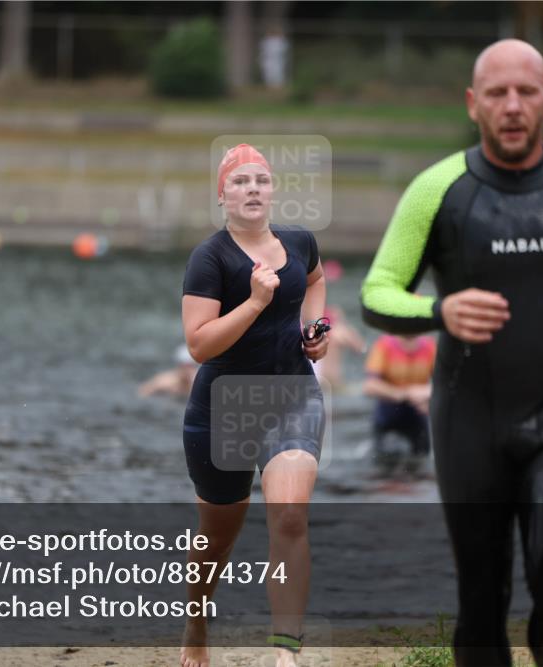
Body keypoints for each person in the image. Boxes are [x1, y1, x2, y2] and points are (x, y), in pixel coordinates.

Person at [360, 39, 543, 667]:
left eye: (526, 91)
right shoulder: (437, 190)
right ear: (474, 104)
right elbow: (376, 292)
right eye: (497, 93)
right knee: (481, 602)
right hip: (468, 423)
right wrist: (440, 311)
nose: (513, 106)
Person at [180, 143, 327, 667]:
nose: (252, 189)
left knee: (288, 516)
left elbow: (315, 280)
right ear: (222, 195)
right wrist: (256, 302)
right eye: (240, 181)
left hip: (293, 396)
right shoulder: (210, 258)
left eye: (261, 180)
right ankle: (196, 624)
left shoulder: (299, 241)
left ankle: (285, 651)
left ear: (273, 191)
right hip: (223, 410)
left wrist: (315, 329)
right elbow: (199, 344)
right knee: (217, 539)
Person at [362, 333, 436, 474]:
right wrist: (405, 394)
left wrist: (425, 394)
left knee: (421, 462)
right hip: (388, 415)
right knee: (384, 464)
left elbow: (444, 385)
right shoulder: (385, 345)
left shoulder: (429, 347)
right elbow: (369, 386)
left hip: (418, 415)